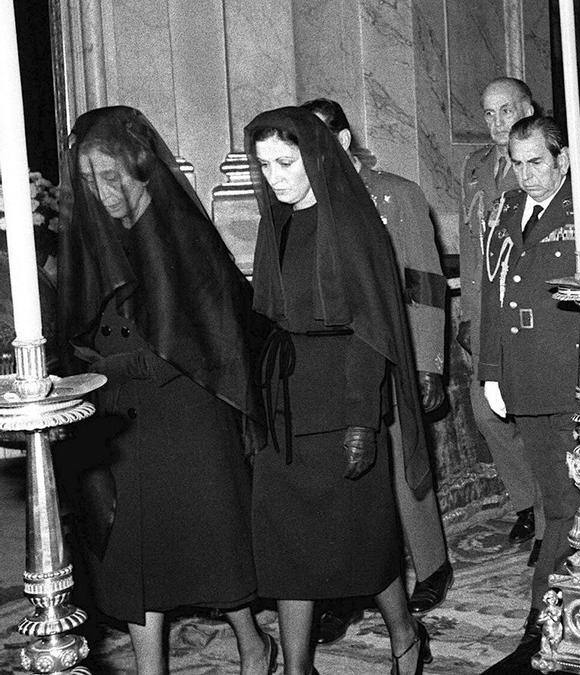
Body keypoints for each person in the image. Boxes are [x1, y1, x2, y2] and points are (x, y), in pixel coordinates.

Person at [56, 106, 275, 675]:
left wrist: (111, 365)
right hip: (120, 422)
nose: (100, 193)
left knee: (211, 547)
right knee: (134, 556)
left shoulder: (180, 233)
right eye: (86, 181)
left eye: (109, 177)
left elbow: (211, 340)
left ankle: (253, 644)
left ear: (140, 168)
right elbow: (80, 326)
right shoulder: (98, 239)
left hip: (187, 415)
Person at [245, 106, 430, 675]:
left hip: (342, 399)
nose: (274, 176)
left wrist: (359, 420)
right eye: (264, 165)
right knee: (285, 543)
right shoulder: (273, 223)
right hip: (284, 400)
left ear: (315, 157)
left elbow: (372, 330)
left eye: (285, 162)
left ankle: (405, 635)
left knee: (360, 544)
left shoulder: (350, 222)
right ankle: (298, 667)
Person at [477, 115, 580, 643]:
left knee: (569, 503)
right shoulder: (506, 210)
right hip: (525, 378)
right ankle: (576, 599)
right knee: (559, 499)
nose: (525, 175)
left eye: (536, 163)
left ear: (563, 159)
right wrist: (490, 370)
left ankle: (548, 609)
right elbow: (493, 293)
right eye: (517, 163)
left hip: (578, 377)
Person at [299, 98, 453, 632]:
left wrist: (429, 361)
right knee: (348, 474)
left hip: (397, 350)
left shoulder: (395, 195)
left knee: (403, 459)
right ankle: (348, 585)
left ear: (342, 141)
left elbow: (425, 282)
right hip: (335, 359)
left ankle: (431, 563)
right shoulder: (307, 203)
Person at [459, 77, 541, 559]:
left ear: (527, 109)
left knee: (536, 414)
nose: (495, 124)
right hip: (486, 314)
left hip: (529, 314)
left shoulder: (540, 164)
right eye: (488, 114)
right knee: (487, 413)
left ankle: (554, 513)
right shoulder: (475, 167)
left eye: (505, 112)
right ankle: (527, 501)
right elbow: (472, 248)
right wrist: (470, 314)